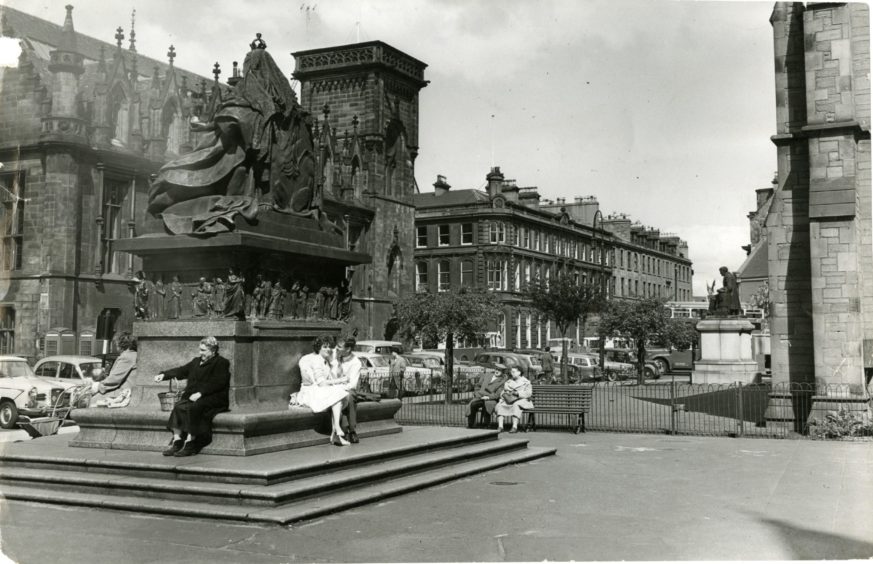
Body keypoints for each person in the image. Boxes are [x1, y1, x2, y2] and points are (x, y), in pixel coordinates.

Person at [153, 336, 231, 457]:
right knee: (179, 406)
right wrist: (164, 375)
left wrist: (201, 393)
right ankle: (177, 441)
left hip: (213, 397)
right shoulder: (196, 362)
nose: (200, 353)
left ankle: (191, 442)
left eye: (203, 350)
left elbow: (219, 382)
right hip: (194, 396)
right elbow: (181, 371)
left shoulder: (221, 362)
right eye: (200, 349)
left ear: (213, 350)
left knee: (195, 407)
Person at [293, 336, 352, 446]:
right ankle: (336, 432)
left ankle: (336, 433)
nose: (328, 349)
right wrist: (341, 380)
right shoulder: (316, 360)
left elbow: (329, 380)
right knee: (338, 394)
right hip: (310, 392)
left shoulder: (325, 361)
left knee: (337, 397)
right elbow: (321, 383)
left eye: (330, 347)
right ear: (318, 348)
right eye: (325, 347)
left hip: (319, 391)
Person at [89, 332, 137, 408]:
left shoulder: (126, 357)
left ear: (121, 344)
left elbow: (114, 380)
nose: (115, 346)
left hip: (123, 393)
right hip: (127, 391)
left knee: (91, 401)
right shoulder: (133, 355)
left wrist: (98, 386)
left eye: (116, 344)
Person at [333, 338, 363, 443]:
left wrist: (340, 388)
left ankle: (352, 430)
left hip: (347, 389)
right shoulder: (335, 358)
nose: (336, 348)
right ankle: (344, 429)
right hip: (334, 387)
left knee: (349, 397)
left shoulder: (356, 363)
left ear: (348, 349)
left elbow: (352, 384)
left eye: (339, 347)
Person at [494, 365, 534, 433]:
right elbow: (503, 392)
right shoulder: (508, 382)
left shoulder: (526, 382)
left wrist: (518, 393)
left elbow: (529, 393)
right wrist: (505, 395)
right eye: (511, 372)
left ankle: (514, 427)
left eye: (513, 372)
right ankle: (500, 426)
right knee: (500, 405)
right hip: (509, 400)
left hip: (522, 400)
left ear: (519, 372)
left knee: (516, 404)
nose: (512, 373)